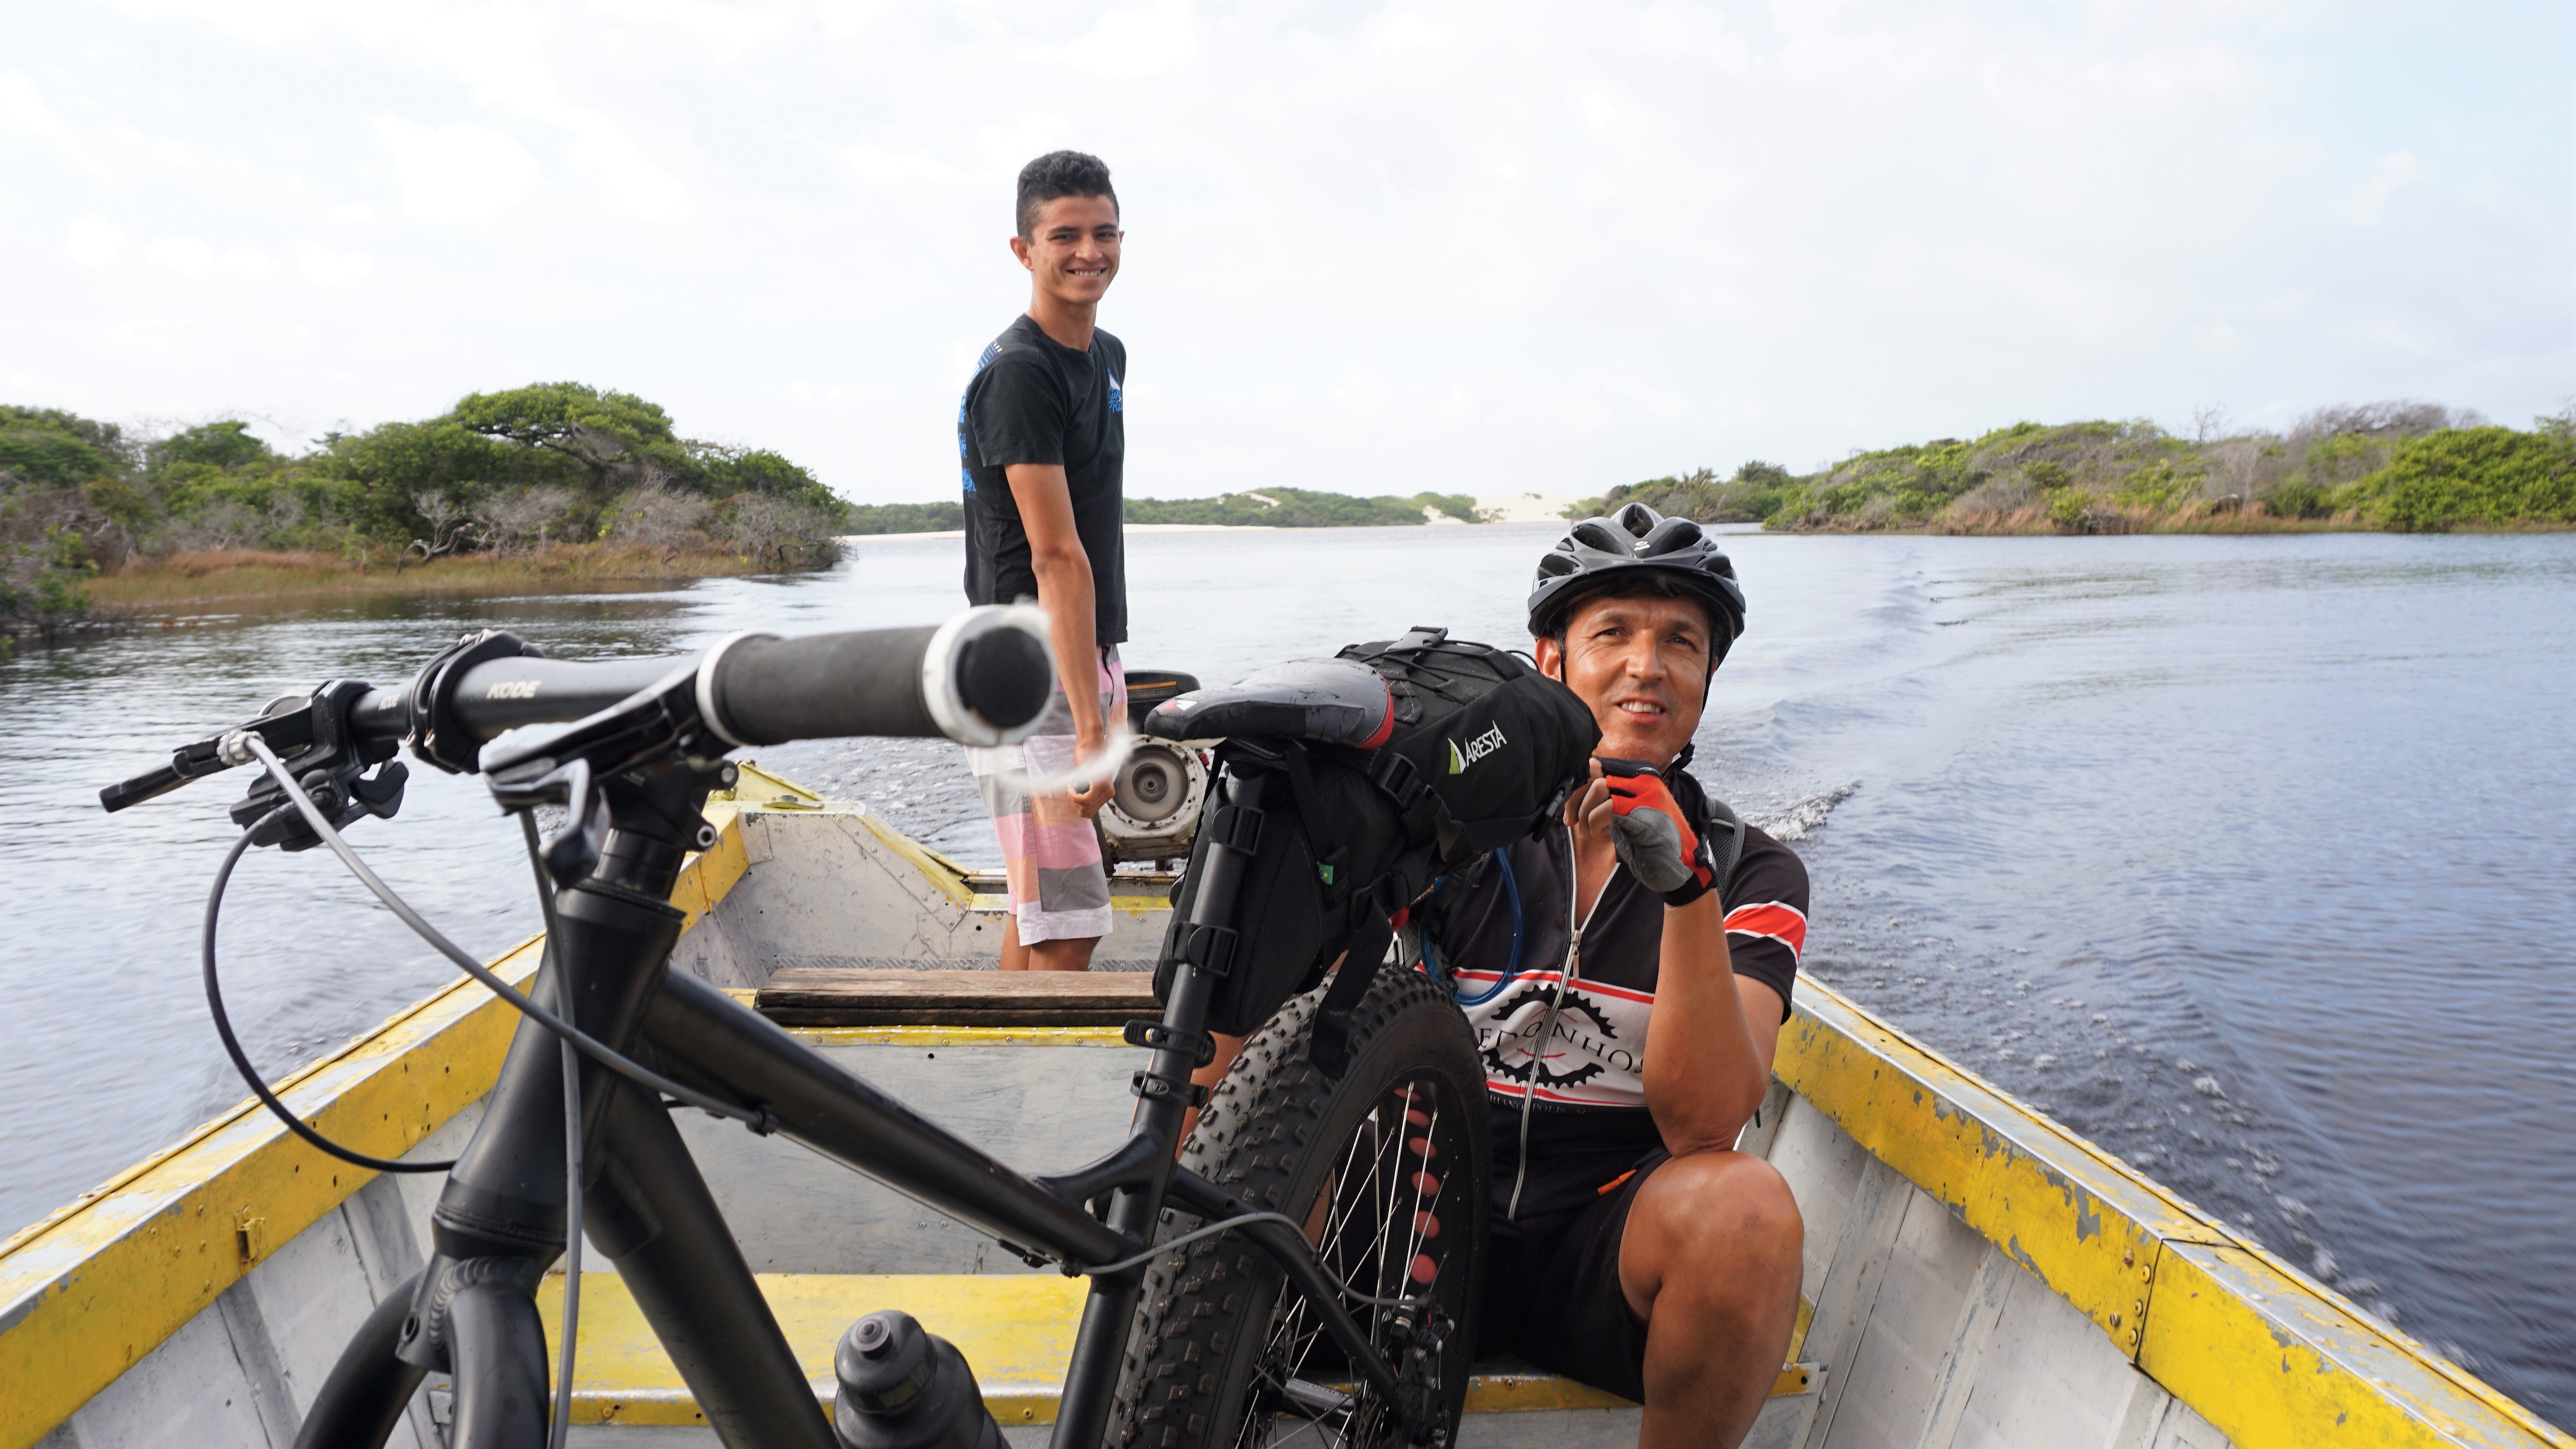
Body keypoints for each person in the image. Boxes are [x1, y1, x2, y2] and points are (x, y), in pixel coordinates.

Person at [1427, 501, 1809, 1448]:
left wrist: (1686, 893)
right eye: (1613, 633)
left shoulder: (1753, 871)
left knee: (1747, 1207)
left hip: (1598, 1251)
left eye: (1681, 640)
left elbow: (1704, 1124)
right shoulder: (1458, 827)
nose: (1647, 664)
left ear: (1708, 675)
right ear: (1550, 660)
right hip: (1413, 1224)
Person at [957, 150, 1129, 972]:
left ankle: (992, 1092)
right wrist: (1091, 727)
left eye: (1102, 232)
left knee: (1043, 909)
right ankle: (1035, 1101)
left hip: (1075, 655)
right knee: (1070, 923)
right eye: (1064, 236)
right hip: (1026, 670)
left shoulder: (1106, 355)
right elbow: (1056, 555)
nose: (1087, 252)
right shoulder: (1021, 375)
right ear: (1023, 250)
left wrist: (1105, 677)